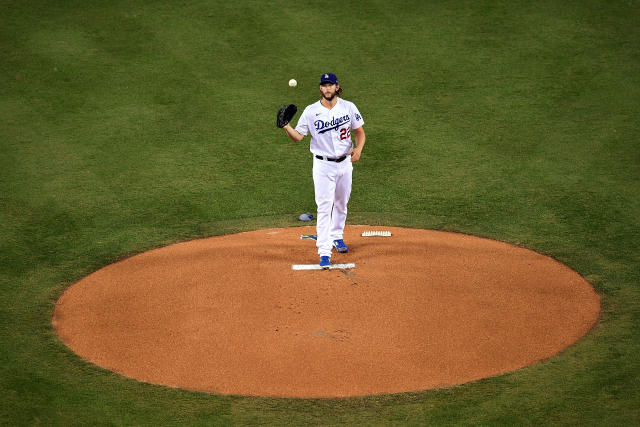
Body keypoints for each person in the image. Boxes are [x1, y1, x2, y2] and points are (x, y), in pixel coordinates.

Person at [282, 73, 366, 269]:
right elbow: (299, 137)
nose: (327, 88)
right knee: (324, 207)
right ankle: (324, 252)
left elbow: (360, 132)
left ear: (337, 87)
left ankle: (337, 237)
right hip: (323, 166)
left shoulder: (349, 107)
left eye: (331, 85)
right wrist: (287, 127)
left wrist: (359, 148)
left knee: (342, 203)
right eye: (324, 85)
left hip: (345, 163)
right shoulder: (311, 111)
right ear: (320, 89)